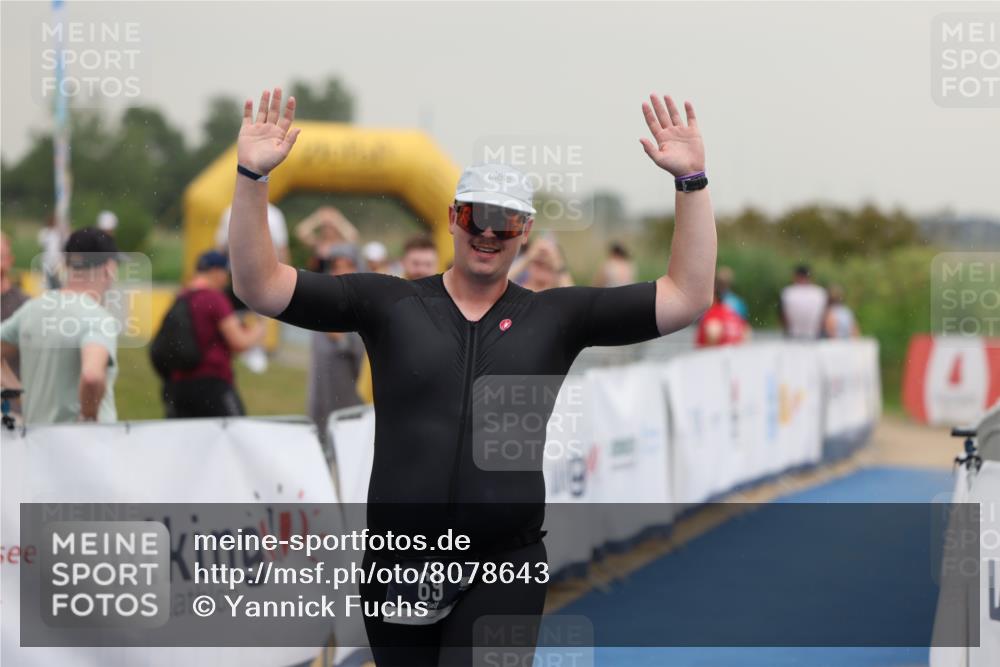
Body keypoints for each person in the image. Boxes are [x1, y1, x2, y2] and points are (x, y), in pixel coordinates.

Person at [228, 87, 715, 666]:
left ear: (525, 231)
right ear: (452, 219)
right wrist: (251, 177)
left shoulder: (557, 317)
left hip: (503, 566)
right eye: (473, 216)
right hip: (398, 564)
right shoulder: (388, 303)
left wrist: (692, 183)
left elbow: (687, 295)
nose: (487, 233)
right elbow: (258, 285)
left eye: (504, 222)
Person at [0, 228, 120, 424]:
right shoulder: (98, 318)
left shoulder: (32, 309)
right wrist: (89, 418)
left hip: (36, 443)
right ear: (108, 268)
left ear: (67, 263)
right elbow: (91, 376)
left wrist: (14, 390)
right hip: (81, 447)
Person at [161, 250, 264, 418]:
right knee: (236, 433)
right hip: (212, 383)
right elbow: (239, 342)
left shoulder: (182, 296)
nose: (226, 279)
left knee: (188, 440)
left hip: (178, 384)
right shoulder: (214, 299)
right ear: (216, 271)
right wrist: (260, 328)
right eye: (225, 272)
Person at [308, 248, 365, 447]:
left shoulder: (365, 306)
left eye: (347, 266)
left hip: (350, 396)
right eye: (336, 267)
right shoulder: (322, 303)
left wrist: (343, 339)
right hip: (321, 391)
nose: (341, 272)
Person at [216, 202, 290, 263]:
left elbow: (282, 250)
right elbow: (282, 250)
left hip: (261, 271)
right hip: (242, 272)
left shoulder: (274, 214)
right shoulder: (274, 213)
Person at [294, 206, 360, 272]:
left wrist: (338, 220)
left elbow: (353, 236)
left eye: (330, 226)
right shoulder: (318, 242)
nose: (327, 229)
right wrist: (317, 218)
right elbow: (300, 232)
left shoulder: (343, 244)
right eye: (324, 226)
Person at [696, 277, 750, 347]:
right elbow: (746, 331)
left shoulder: (711, 314)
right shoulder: (732, 312)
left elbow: (713, 331)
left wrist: (709, 354)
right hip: (734, 354)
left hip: (712, 354)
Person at [780, 264, 827, 339]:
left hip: (793, 335)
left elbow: (784, 317)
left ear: (796, 276)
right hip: (815, 336)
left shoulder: (787, 293)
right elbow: (824, 317)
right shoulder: (820, 292)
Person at [37, 214, 67, 289]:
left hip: (58, 259)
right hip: (47, 260)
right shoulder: (44, 232)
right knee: (47, 280)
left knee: (59, 279)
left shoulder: (59, 232)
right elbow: (42, 246)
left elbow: (64, 244)